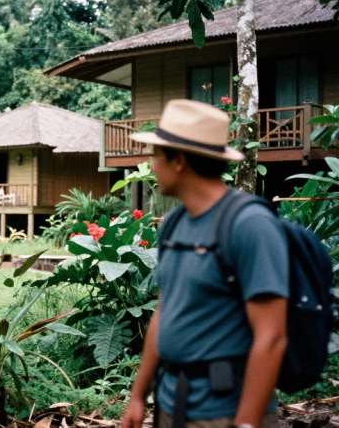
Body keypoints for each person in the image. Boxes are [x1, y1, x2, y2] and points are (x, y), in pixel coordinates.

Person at [121, 100, 289, 428]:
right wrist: (138, 396)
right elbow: (164, 308)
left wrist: (246, 424)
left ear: (180, 160)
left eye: (157, 156)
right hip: (171, 404)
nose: (151, 166)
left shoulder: (250, 225)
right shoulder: (172, 224)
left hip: (225, 411)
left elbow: (272, 336)